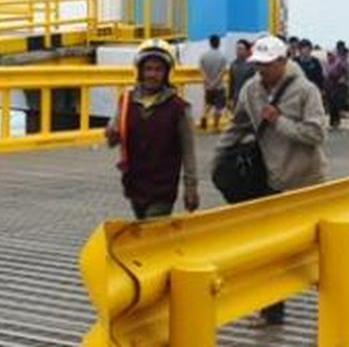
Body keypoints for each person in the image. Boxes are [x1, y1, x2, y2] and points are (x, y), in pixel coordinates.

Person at [215, 35, 327, 327]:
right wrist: (219, 156)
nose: (261, 70)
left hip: (306, 181)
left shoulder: (306, 90)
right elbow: (238, 123)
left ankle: (321, 284)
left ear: (282, 61)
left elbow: (317, 134)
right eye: (257, 64)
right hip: (273, 179)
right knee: (271, 250)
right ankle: (272, 310)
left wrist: (279, 121)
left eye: (266, 64)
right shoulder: (251, 90)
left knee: (307, 245)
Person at [106, 39, 199, 220]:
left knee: (152, 229)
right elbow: (112, 139)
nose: (152, 74)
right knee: (144, 231)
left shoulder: (179, 108)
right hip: (135, 185)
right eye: (148, 69)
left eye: (158, 70)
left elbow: (189, 152)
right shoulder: (126, 101)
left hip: (162, 187)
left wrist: (191, 188)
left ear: (166, 74)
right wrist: (112, 134)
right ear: (140, 71)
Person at [198, 34, 228, 130]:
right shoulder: (222, 57)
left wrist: (208, 82)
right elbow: (222, 72)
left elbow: (201, 70)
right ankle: (216, 126)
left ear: (210, 43)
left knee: (208, 104)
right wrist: (215, 83)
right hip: (219, 86)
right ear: (218, 43)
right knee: (218, 107)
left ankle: (204, 116)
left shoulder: (203, 56)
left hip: (208, 86)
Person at [324, 41, 349, 129]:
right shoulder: (328, 64)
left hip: (338, 83)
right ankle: (332, 121)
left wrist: (344, 79)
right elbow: (327, 73)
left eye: (331, 55)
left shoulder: (342, 61)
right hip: (329, 83)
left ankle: (336, 120)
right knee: (331, 103)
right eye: (329, 55)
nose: (330, 57)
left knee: (336, 103)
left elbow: (346, 72)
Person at [227, 39, 256, 111]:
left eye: (240, 49)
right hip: (236, 98)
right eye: (237, 49)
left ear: (247, 50)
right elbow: (232, 82)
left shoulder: (253, 65)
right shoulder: (233, 65)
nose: (238, 51)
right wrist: (230, 98)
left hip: (250, 99)